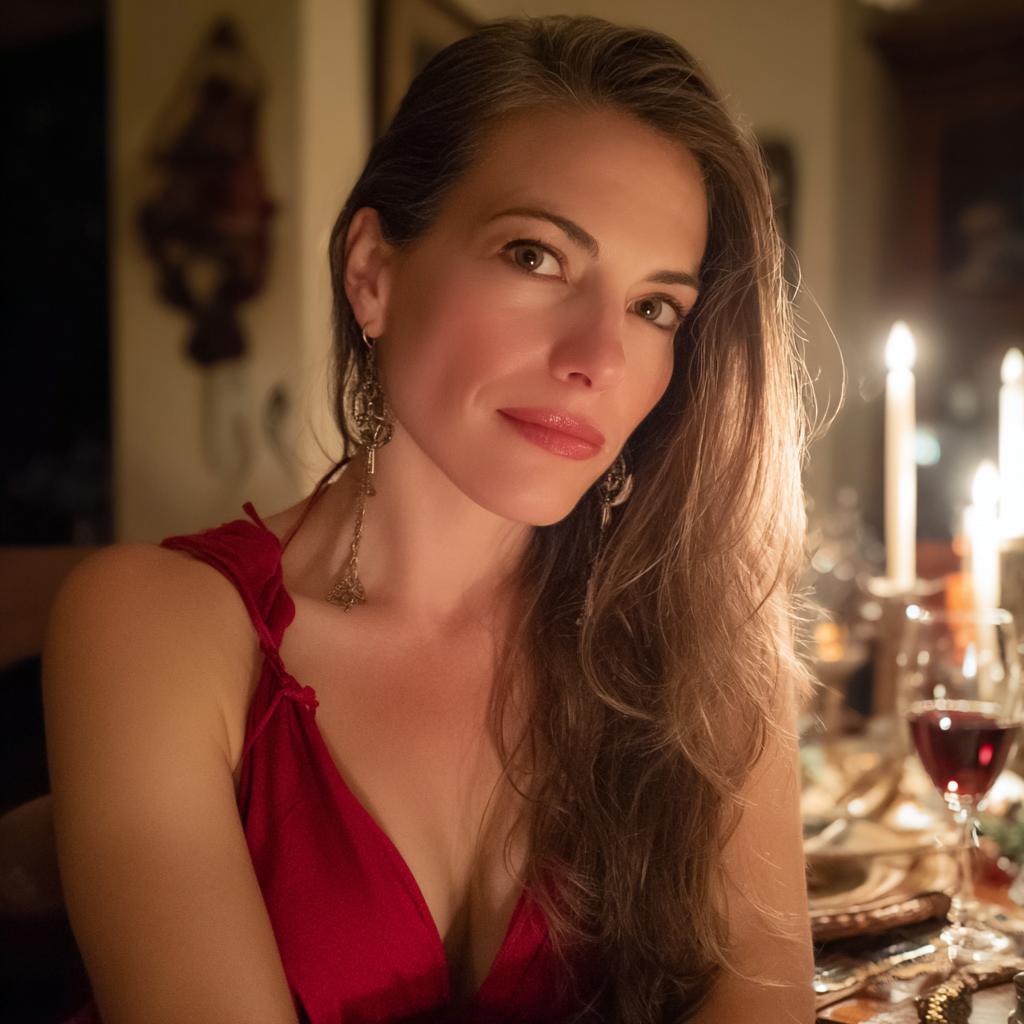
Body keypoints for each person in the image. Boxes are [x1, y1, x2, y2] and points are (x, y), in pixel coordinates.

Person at [44, 15, 814, 1023]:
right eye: (535, 257)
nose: (600, 358)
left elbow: (764, 992)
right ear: (373, 272)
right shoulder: (150, 624)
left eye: (655, 307)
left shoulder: (704, 637)